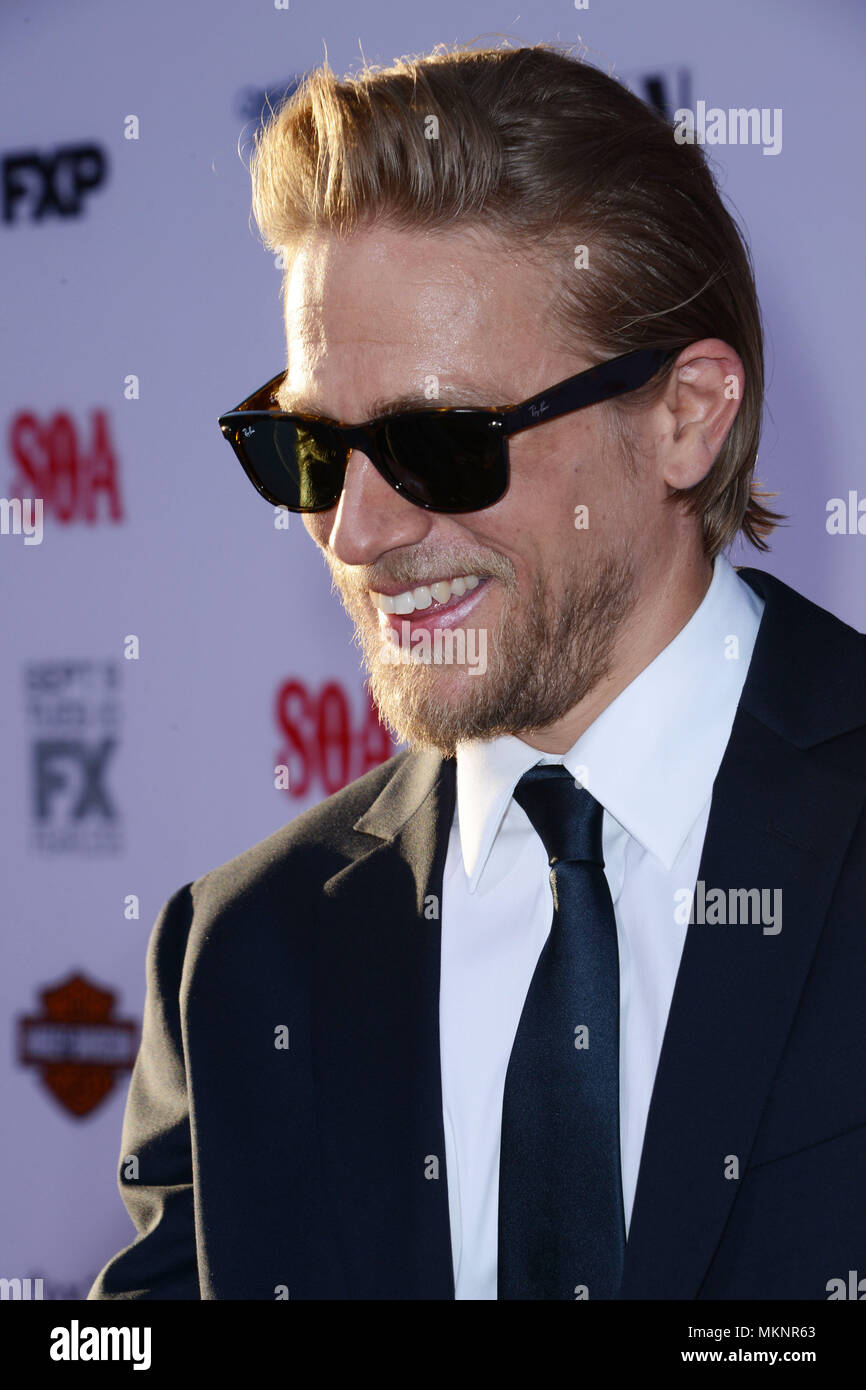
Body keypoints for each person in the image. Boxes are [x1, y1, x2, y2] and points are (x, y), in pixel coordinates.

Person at [89, 43, 866, 1301]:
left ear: (684, 415)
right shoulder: (241, 957)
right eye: (310, 449)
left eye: (437, 445)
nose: (358, 533)